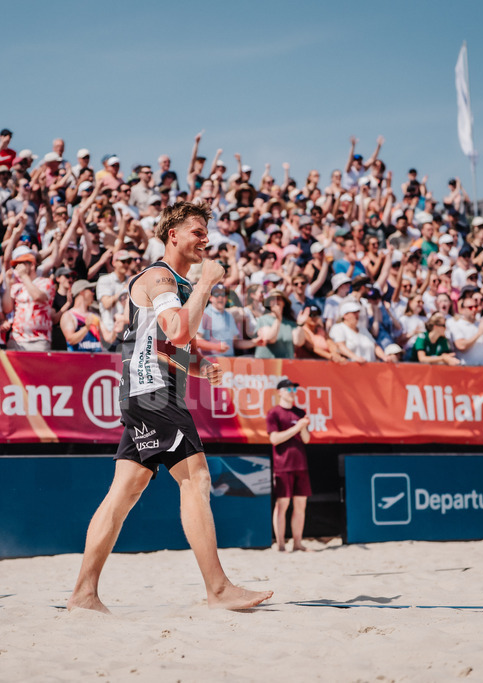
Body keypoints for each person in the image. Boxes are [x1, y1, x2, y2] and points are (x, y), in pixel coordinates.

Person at [68, 201, 273, 613]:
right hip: (153, 393)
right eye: (197, 231)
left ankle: (84, 594)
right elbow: (177, 330)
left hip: (148, 390)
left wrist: (200, 367)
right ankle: (217, 589)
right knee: (195, 479)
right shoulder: (160, 275)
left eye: (206, 232)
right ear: (172, 234)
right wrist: (206, 284)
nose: (205, 239)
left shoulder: (173, 282)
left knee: (123, 493)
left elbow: (168, 347)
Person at [267, 378, 312, 552]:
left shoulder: (300, 412)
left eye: (294, 390)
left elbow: (306, 439)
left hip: (301, 464)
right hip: (282, 465)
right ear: (279, 392)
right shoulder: (274, 413)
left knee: (301, 505)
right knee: (282, 504)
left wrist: (302, 427)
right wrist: (297, 427)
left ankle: (298, 543)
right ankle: (280, 545)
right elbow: (274, 439)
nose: (292, 392)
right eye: (288, 389)